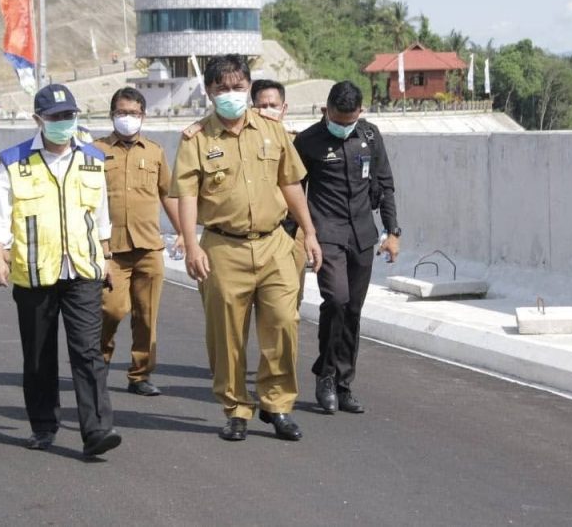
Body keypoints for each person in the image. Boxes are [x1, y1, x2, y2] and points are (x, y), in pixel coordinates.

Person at [171, 55, 322, 443]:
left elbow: (291, 183)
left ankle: (277, 405)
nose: (231, 95)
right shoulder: (196, 139)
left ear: (249, 88)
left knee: (283, 325)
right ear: (209, 91)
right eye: (222, 88)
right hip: (223, 247)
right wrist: (191, 245)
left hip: (274, 244)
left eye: (238, 87)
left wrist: (309, 232)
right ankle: (236, 408)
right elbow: (186, 195)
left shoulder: (273, 131)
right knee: (226, 335)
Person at [0, 83, 121, 458]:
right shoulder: (13, 162)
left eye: (69, 116)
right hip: (34, 272)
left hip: (82, 269)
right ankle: (44, 425)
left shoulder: (93, 158)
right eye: (56, 117)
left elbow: (101, 216)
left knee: (87, 351)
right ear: (38, 120)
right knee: (38, 354)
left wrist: (106, 256)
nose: (64, 123)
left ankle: (97, 428)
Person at [293, 81, 400, 415]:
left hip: (362, 236)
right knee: (336, 300)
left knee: (352, 309)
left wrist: (392, 231)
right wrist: (295, 234)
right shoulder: (308, 141)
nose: (342, 127)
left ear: (361, 113)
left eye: (349, 121)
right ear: (326, 110)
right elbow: (293, 191)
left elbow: (385, 183)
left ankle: (344, 382)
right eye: (337, 120)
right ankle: (324, 375)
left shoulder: (370, 136)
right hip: (326, 233)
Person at [95, 87, 183, 397]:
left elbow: (167, 194)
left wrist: (183, 231)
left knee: (146, 315)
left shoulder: (155, 151)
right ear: (111, 115)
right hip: (111, 250)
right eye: (122, 113)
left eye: (133, 113)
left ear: (143, 116)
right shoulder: (95, 151)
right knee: (112, 310)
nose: (127, 118)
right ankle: (98, 364)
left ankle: (140, 374)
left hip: (148, 247)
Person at [250, 79, 308, 308]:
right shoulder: (241, 145)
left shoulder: (300, 144)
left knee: (288, 307)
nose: (267, 111)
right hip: (256, 234)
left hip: (292, 234)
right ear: (252, 107)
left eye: (273, 105)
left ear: (284, 108)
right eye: (261, 106)